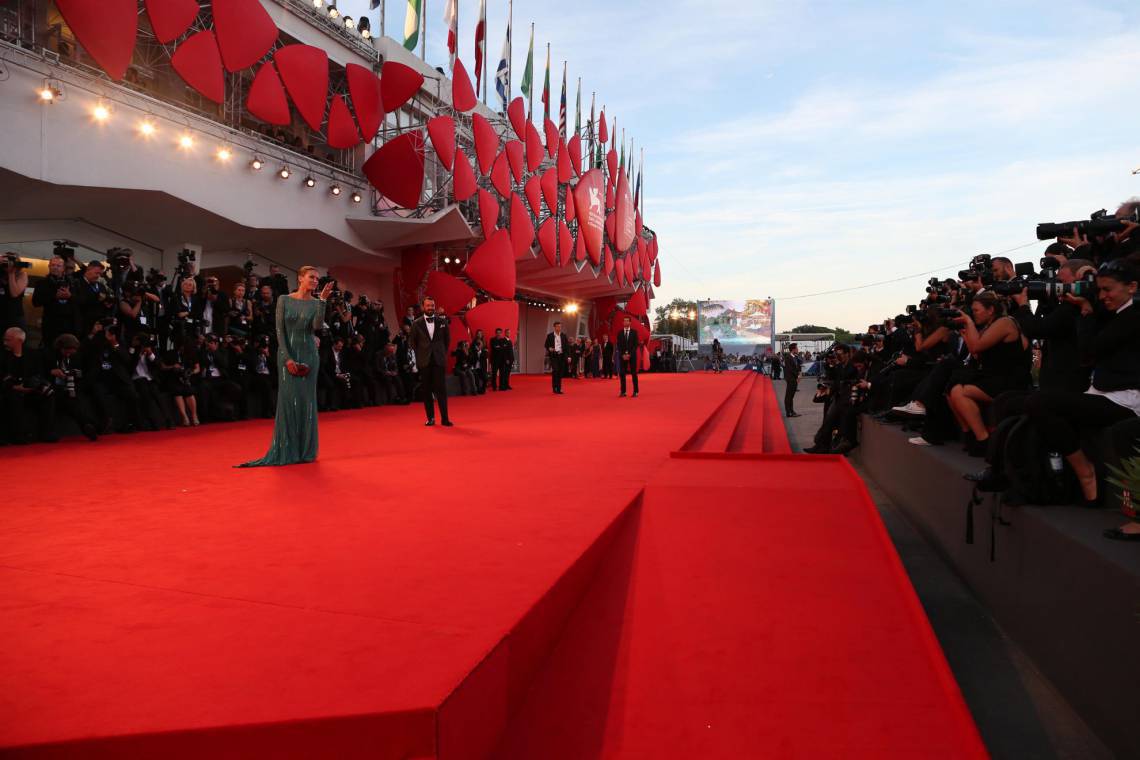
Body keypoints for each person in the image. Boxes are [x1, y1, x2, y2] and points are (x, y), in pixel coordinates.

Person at [1022, 260, 1140, 523]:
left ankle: (1085, 471)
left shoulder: (1134, 316)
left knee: (1041, 403)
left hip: (1126, 399)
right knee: (1032, 406)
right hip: (1101, 393)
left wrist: (1086, 311)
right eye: (1098, 290)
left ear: (1132, 287)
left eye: (1108, 290)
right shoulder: (1115, 313)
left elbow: (1088, 350)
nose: (1102, 296)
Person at [237, 267, 335, 466]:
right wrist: (288, 359)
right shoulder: (284, 299)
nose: (315, 281)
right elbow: (280, 332)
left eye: (317, 278)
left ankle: (306, 451)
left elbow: (316, 326)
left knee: (307, 403)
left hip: (309, 355)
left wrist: (323, 301)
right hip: (286, 355)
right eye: (311, 277)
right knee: (288, 402)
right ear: (300, 278)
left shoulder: (317, 303)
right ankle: (286, 449)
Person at [410, 295, 452, 426]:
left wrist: (441, 353)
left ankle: (445, 419)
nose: (430, 308)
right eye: (428, 305)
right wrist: (420, 356)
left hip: (438, 360)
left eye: (432, 305)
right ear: (423, 307)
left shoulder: (442, 322)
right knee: (427, 390)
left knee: (441, 390)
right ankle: (431, 418)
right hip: (424, 361)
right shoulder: (416, 323)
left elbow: (447, 341)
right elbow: (413, 343)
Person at [616, 316, 640, 397]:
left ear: (630, 323)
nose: (625, 322)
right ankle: (623, 391)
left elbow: (635, 345)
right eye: (624, 321)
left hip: (632, 356)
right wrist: (622, 355)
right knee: (622, 373)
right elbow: (618, 345)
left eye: (627, 321)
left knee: (634, 373)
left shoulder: (634, 332)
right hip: (622, 356)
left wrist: (630, 354)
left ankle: (636, 391)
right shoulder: (619, 333)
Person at [545, 321, 569, 394]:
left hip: (561, 356)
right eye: (558, 326)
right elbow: (546, 345)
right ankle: (554, 388)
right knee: (555, 371)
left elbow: (567, 347)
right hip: (554, 356)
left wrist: (568, 356)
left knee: (560, 373)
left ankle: (559, 388)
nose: (559, 328)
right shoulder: (550, 336)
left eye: (560, 326)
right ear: (554, 327)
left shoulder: (563, 335)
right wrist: (550, 348)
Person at [783, 343, 801, 416]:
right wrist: (797, 376)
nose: (798, 349)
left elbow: (797, 366)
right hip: (790, 378)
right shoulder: (788, 357)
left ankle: (792, 411)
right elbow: (790, 369)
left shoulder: (795, 357)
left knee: (791, 396)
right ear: (793, 349)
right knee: (789, 396)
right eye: (797, 348)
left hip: (794, 378)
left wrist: (799, 373)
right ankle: (789, 412)